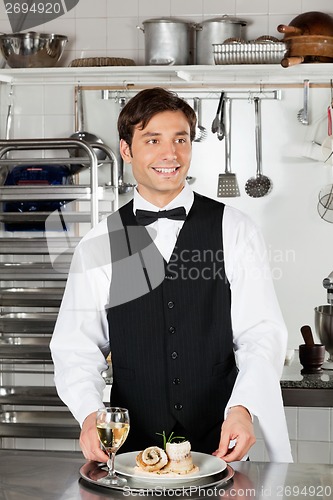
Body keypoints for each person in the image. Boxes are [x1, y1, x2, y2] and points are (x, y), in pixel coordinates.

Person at [50, 87, 293, 464]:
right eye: (153, 140)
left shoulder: (234, 229)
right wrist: (88, 414)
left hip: (220, 445)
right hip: (130, 451)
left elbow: (261, 334)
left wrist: (243, 408)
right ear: (127, 150)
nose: (171, 154)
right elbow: (75, 348)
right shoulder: (101, 242)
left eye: (181, 139)